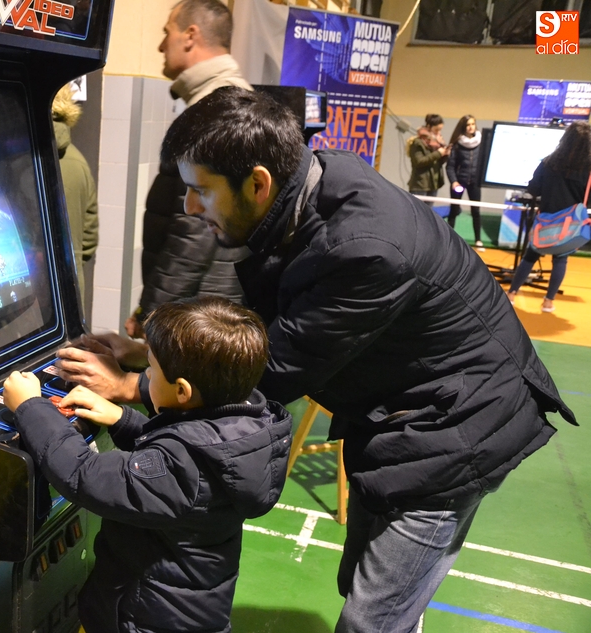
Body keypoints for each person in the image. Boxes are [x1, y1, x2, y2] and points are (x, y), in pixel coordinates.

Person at [54, 88, 576, 633]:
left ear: (257, 184)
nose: (189, 207)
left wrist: (135, 385)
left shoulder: (365, 250)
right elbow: (265, 328)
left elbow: (271, 368)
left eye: (201, 191)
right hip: (405, 410)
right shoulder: (313, 183)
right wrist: (154, 353)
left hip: (456, 428)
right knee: (368, 586)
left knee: (373, 619)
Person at [2, 296, 292, 633]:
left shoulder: (182, 469)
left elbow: (83, 475)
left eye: (151, 369)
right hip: (190, 611)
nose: (146, 375)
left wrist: (30, 406)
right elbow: (182, 450)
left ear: (182, 392)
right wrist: (122, 419)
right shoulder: (244, 430)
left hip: (144, 619)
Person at [124, 0, 252, 339]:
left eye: (167, 32)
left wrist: (152, 313)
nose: (160, 46)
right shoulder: (230, 102)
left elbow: (193, 235)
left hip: (198, 313)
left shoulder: (215, 112)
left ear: (190, 36)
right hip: (206, 303)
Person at [507, 121, 591, 313]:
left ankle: (511, 293)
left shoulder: (548, 163)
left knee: (530, 256)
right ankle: (548, 301)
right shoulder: (588, 170)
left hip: (545, 220)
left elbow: (533, 189)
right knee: (560, 260)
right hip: (570, 225)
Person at [52, 84, 99, 309]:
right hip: (70, 290)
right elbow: (89, 237)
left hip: (28, 298)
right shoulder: (78, 161)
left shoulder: (17, 154)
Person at [446, 114, 485, 251]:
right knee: (454, 210)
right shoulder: (457, 145)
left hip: (474, 183)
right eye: (468, 125)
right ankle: (448, 240)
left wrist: (480, 179)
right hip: (459, 182)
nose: (471, 127)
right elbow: (450, 166)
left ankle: (478, 240)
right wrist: (454, 182)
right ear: (464, 127)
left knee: (476, 211)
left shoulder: (481, 142)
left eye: (473, 124)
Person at [407, 113, 450, 206]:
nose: (438, 133)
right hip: (420, 184)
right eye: (436, 130)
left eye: (440, 130)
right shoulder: (417, 142)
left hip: (434, 183)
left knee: (428, 212)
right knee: (416, 211)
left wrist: (445, 154)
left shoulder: (438, 143)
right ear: (429, 127)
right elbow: (419, 162)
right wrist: (438, 153)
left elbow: (438, 162)